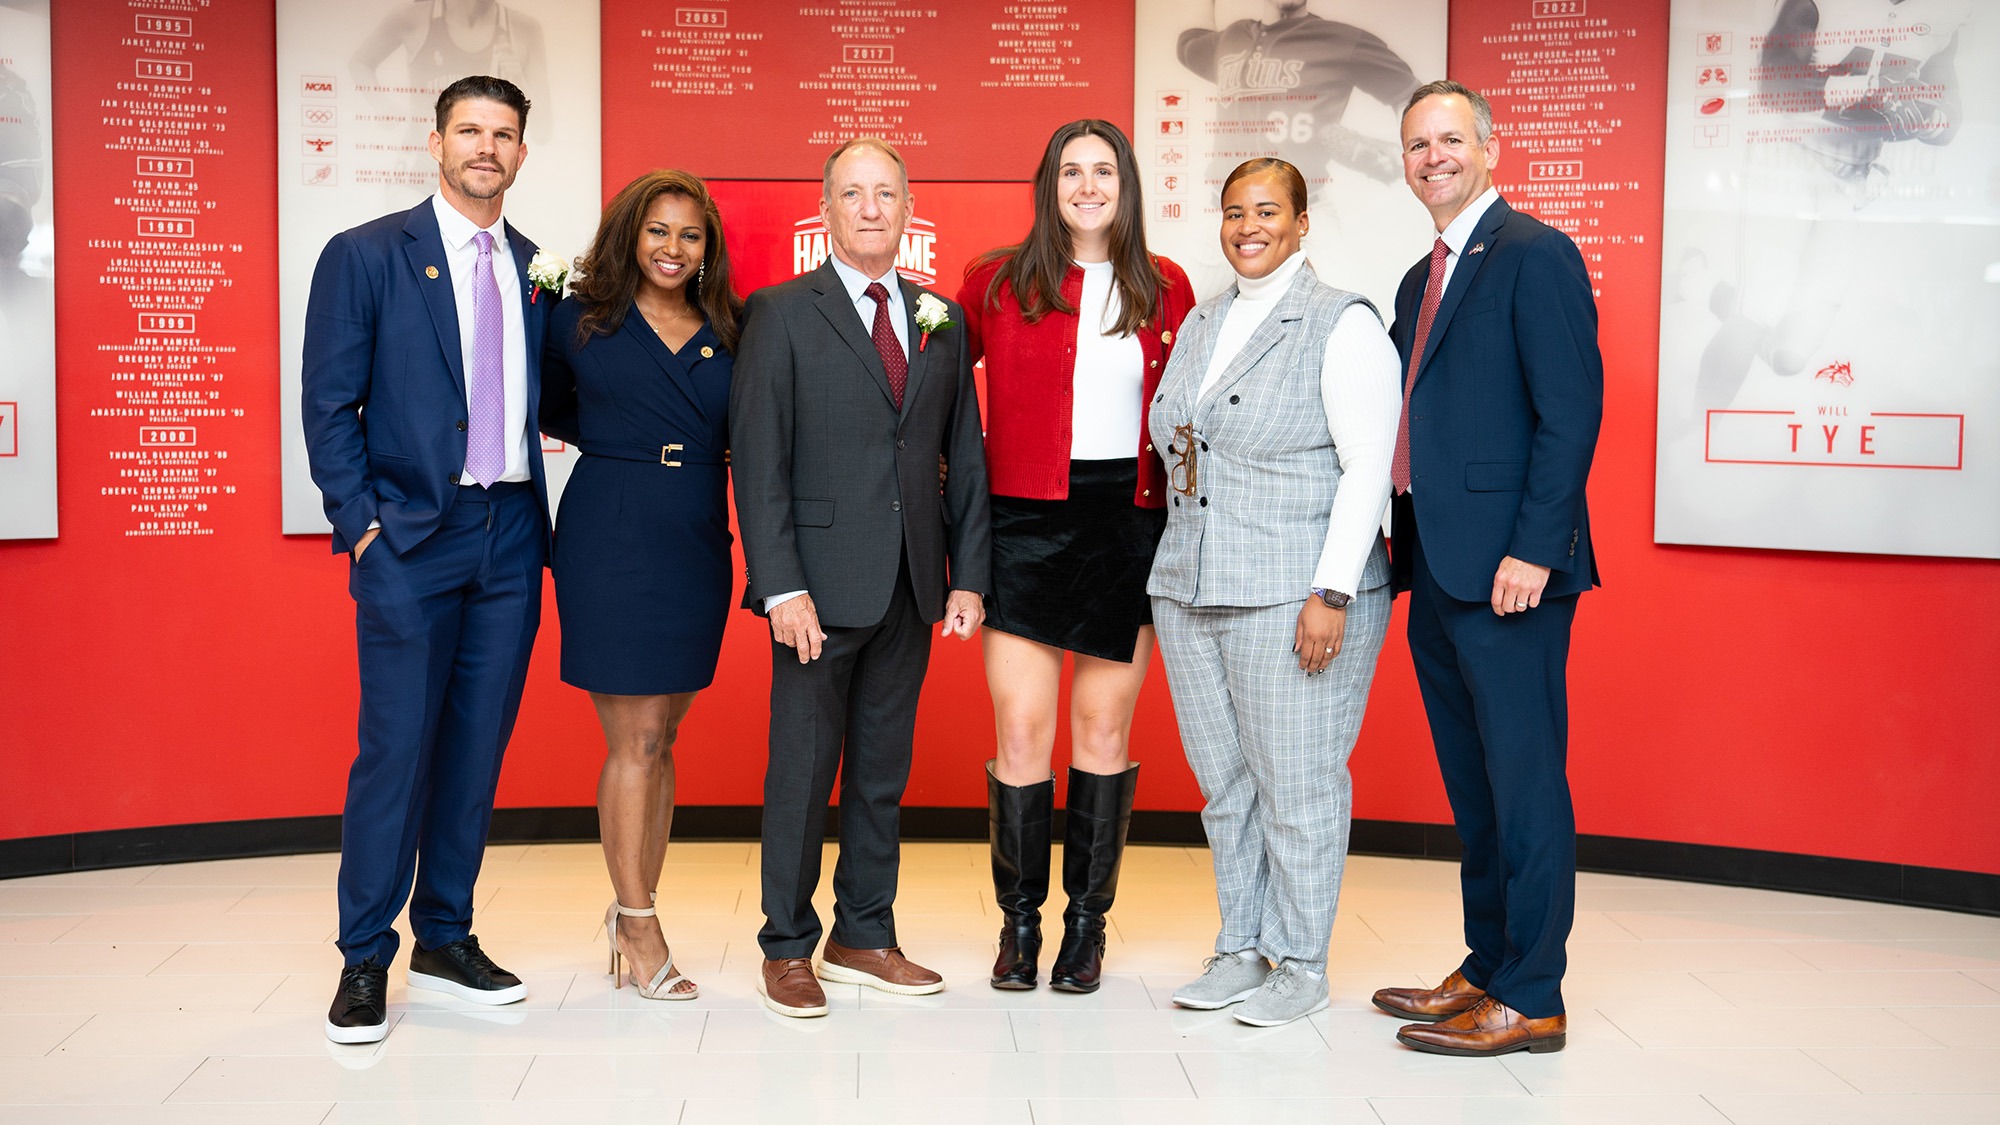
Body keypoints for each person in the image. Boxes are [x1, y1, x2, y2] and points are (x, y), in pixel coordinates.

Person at [302, 74, 552, 1044]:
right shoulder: (368, 256)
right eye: (469, 131)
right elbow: (329, 406)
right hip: (409, 539)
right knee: (395, 751)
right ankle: (366, 956)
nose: (486, 147)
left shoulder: (536, 268)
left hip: (511, 537)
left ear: (522, 153)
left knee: (476, 749)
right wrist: (360, 522)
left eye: (503, 134)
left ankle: (446, 935)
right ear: (436, 142)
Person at [729, 137, 993, 1019]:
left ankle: (864, 932)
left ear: (908, 206)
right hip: (814, 588)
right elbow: (759, 459)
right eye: (854, 193)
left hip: (914, 584)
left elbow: (963, 453)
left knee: (882, 771)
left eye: (887, 193)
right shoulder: (780, 311)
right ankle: (787, 945)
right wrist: (779, 585)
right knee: (803, 771)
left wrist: (966, 575)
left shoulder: (941, 319)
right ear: (828, 209)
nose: (872, 208)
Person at [1372, 80, 1602, 1057]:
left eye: (1449, 139)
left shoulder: (1533, 253)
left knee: (1524, 780)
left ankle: (1532, 991)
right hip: (1434, 565)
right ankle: (1486, 962)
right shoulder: (1417, 279)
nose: (1433, 156)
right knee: (1473, 785)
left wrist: (1532, 551)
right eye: (1416, 143)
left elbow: (1570, 412)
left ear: (1488, 150)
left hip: (1509, 572)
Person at [1151, 157, 1401, 1027]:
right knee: (1226, 786)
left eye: (1267, 211)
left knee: (1297, 786)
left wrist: (1331, 591)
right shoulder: (1202, 321)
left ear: (1301, 224)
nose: (1247, 226)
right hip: (1190, 586)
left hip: (1298, 591)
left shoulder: (1342, 323)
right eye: (1233, 212)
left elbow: (1369, 463)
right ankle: (1241, 946)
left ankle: (1301, 960)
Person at [956, 120, 1196, 994]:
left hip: (1124, 526)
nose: (1088, 185)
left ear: (1126, 183)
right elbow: (942, 409)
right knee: (1020, 731)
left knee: (1102, 731)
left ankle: (1084, 929)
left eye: (1104, 170)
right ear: (1048, 182)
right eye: (1071, 170)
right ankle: (1018, 927)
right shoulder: (994, 279)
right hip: (1020, 527)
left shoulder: (1165, 286)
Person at [539, 169, 743, 1001]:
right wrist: (628, 443)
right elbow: (553, 409)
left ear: (708, 249)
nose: (672, 248)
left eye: (689, 235)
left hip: (694, 532)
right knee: (637, 738)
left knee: (664, 737)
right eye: (657, 230)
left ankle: (634, 905)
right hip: (611, 527)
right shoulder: (578, 320)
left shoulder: (728, 327)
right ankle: (638, 920)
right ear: (629, 234)